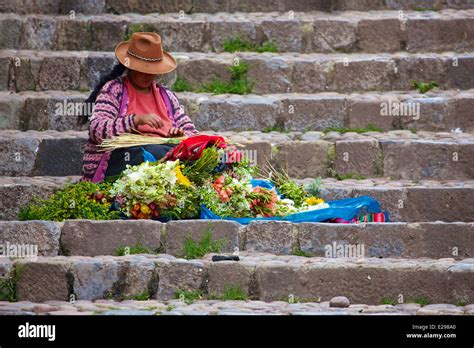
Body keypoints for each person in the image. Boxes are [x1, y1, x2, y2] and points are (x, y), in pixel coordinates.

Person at [80, 32, 199, 182]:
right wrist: (135, 120)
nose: (147, 74)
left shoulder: (166, 96)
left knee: (205, 156)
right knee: (149, 152)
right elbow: (97, 130)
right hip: (125, 159)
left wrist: (180, 137)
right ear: (129, 67)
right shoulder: (114, 90)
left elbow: (192, 132)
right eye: (142, 69)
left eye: (151, 70)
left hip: (164, 153)